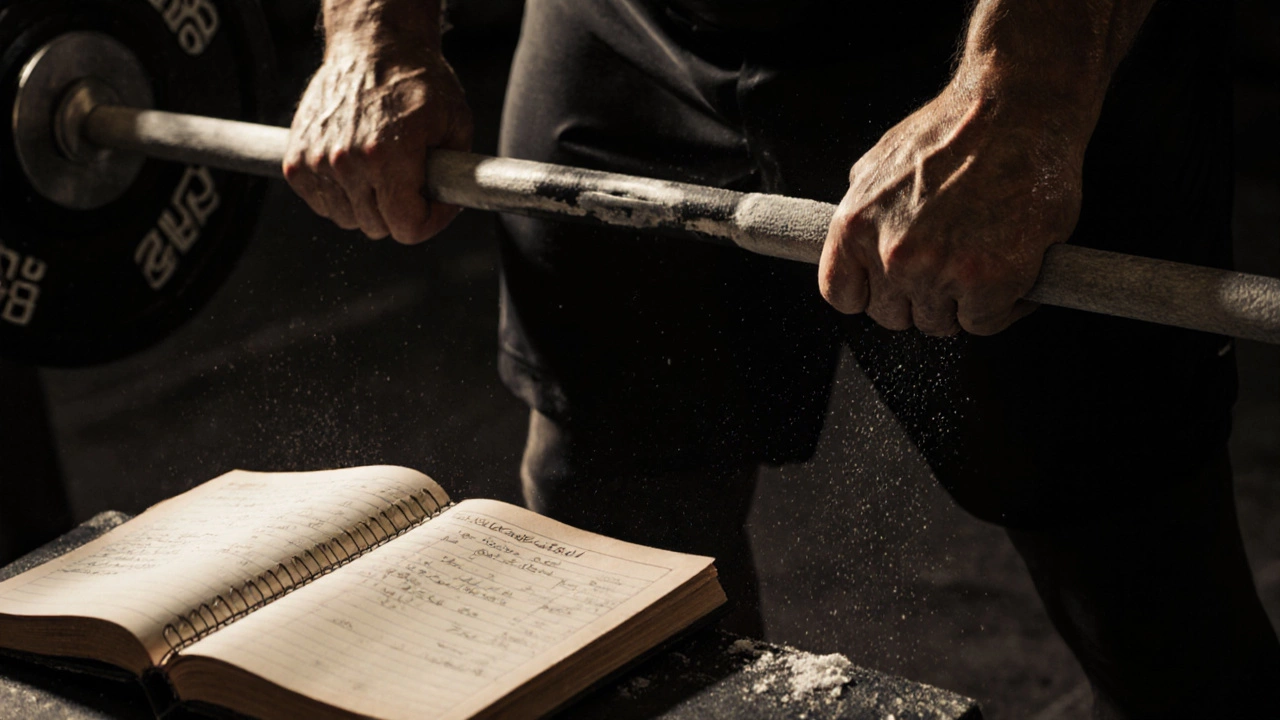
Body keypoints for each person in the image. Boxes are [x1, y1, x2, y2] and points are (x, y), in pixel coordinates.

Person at [283, 0, 1280, 716]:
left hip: (988, 32)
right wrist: (375, 27)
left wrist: (1025, 92)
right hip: (633, 23)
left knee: (1135, 568)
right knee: (609, 540)